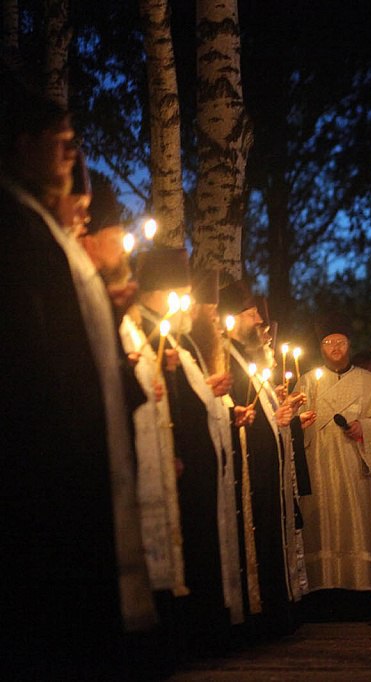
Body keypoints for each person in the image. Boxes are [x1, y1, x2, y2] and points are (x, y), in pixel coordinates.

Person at [0, 86, 155, 673]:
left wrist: (109, 313)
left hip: (76, 463)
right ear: (22, 144)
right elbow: (31, 355)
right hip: (45, 468)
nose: (72, 149)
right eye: (58, 139)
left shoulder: (37, 230)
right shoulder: (17, 232)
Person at [133, 248, 240, 652]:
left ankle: (203, 630)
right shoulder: (147, 331)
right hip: (171, 455)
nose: (193, 307)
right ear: (164, 290)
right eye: (182, 293)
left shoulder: (174, 338)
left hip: (190, 457)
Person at [296, 313, 371, 620]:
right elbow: (291, 423)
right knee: (321, 524)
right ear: (321, 347)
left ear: (349, 345)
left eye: (341, 342)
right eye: (329, 343)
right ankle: (322, 593)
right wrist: (299, 424)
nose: (336, 348)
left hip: (355, 467)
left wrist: (365, 427)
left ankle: (360, 594)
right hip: (318, 466)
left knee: (357, 523)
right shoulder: (306, 382)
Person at [222, 279, 306, 634]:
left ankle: (277, 609)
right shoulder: (226, 355)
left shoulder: (245, 357)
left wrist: (282, 415)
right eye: (252, 313)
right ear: (234, 317)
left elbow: (266, 413)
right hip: (247, 467)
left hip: (265, 463)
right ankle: (265, 614)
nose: (258, 320)